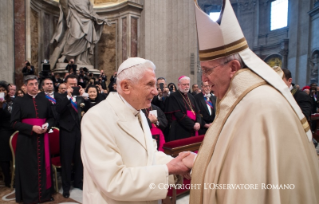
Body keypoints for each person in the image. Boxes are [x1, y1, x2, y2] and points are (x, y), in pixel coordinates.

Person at [188, 1, 319, 203]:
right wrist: (199, 165)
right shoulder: (239, 99)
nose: (203, 79)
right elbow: (232, 167)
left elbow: (247, 188)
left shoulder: (258, 104)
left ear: (233, 67)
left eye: (207, 70)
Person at [81, 57, 193, 204]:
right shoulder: (97, 118)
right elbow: (113, 181)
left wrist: (178, 163)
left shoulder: (138, 112)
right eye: (150, 84)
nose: (155, 91)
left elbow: (149, 155)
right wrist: (168, 169)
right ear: (126, 86)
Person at [11, 75, 54, 203]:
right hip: (26, 140)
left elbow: (52, 118)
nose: (34, 86)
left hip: (43, 138)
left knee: (43, 166)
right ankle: (29, 197)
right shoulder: (19, 101)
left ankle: (44, 195)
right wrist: (31, 128)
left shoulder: (45, 100)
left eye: (36, 84)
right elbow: (13, 123)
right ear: (25, 86)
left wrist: (47, 125)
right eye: (31, 84)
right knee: (28, 168)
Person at [50, 0, 109, 66]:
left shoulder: (87, 1)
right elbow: (64, 7)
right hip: (75, 16)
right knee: (74, 36)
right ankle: (64, 56)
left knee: (85, 39)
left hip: (88, 20)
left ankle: (79, 59)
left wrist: (101, 19)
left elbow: (91, 13)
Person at [56, 74, 85, 198]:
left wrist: (85, 96)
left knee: (79, 158)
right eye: (71, 84)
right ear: (66, 84)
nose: (74, 86)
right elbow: (59, 110)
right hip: (66, 131)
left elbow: (87, 109)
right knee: (66, 160)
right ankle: (66, 187)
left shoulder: (80, 97)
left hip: (79, 130)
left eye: (75, 84)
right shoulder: (60, 97)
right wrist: (68, 96)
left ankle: (78, 182)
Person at [165, 76, 201, 141]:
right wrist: (192, 125)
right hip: (180, 129)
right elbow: (178, 114)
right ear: (179, 85)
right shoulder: (173, 96)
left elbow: (197, 112)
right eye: (184, 84)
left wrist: (198, 123)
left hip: (193, 128)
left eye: (188, 84)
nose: (187, 86)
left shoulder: (191, 96)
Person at [0, 81, 14, 188]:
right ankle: (7, 180)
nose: (2, 92)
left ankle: (16, 177)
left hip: (14, 130)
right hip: (2, 132)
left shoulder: (12, 102)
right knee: (4, 156)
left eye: (3, 90)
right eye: (0, 90)